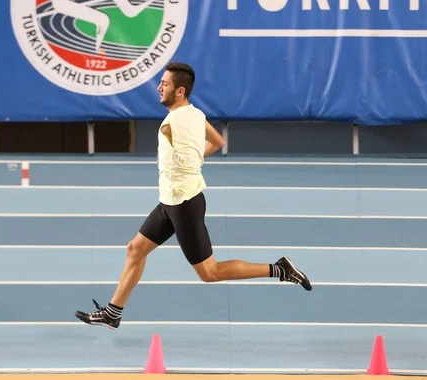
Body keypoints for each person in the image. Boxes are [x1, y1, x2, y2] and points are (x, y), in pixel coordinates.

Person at [75, 62, 312, 330]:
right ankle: (113, 312)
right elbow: (217, 142)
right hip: (170, 201)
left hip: (183, 204)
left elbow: (192, 155)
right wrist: (186, 165)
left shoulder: (176, 123)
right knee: (135, 249)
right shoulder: (195, 114)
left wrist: (184, 165)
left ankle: (280, 269)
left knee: (210, 273)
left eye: (164, 84)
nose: (158, 87)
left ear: (179, 91)